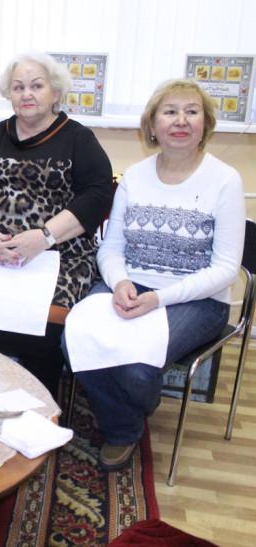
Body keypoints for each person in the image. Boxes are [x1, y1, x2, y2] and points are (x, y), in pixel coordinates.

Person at [63, 79, 245, 470]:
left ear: (205, 124)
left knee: (136, 369)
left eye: (191, 111)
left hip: (197, 299)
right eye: (170, 111)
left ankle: (123, 427)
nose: (181, 120)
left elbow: (226, 270)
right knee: (73, 338)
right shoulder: (136, 176)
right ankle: (127, 416)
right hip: (130, 284)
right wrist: (121, 282)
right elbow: (111, 248)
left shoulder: (226, 181)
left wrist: (159, 299)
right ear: (152, 125)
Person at [0, 51, 114, 392]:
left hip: (59, 253)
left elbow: (97, 195)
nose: (27, 94)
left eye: (37, 86)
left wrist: (44, 237)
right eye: (18, 87)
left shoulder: (78, 139)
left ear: (56, 92)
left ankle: (38, 403)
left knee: (45, 328)